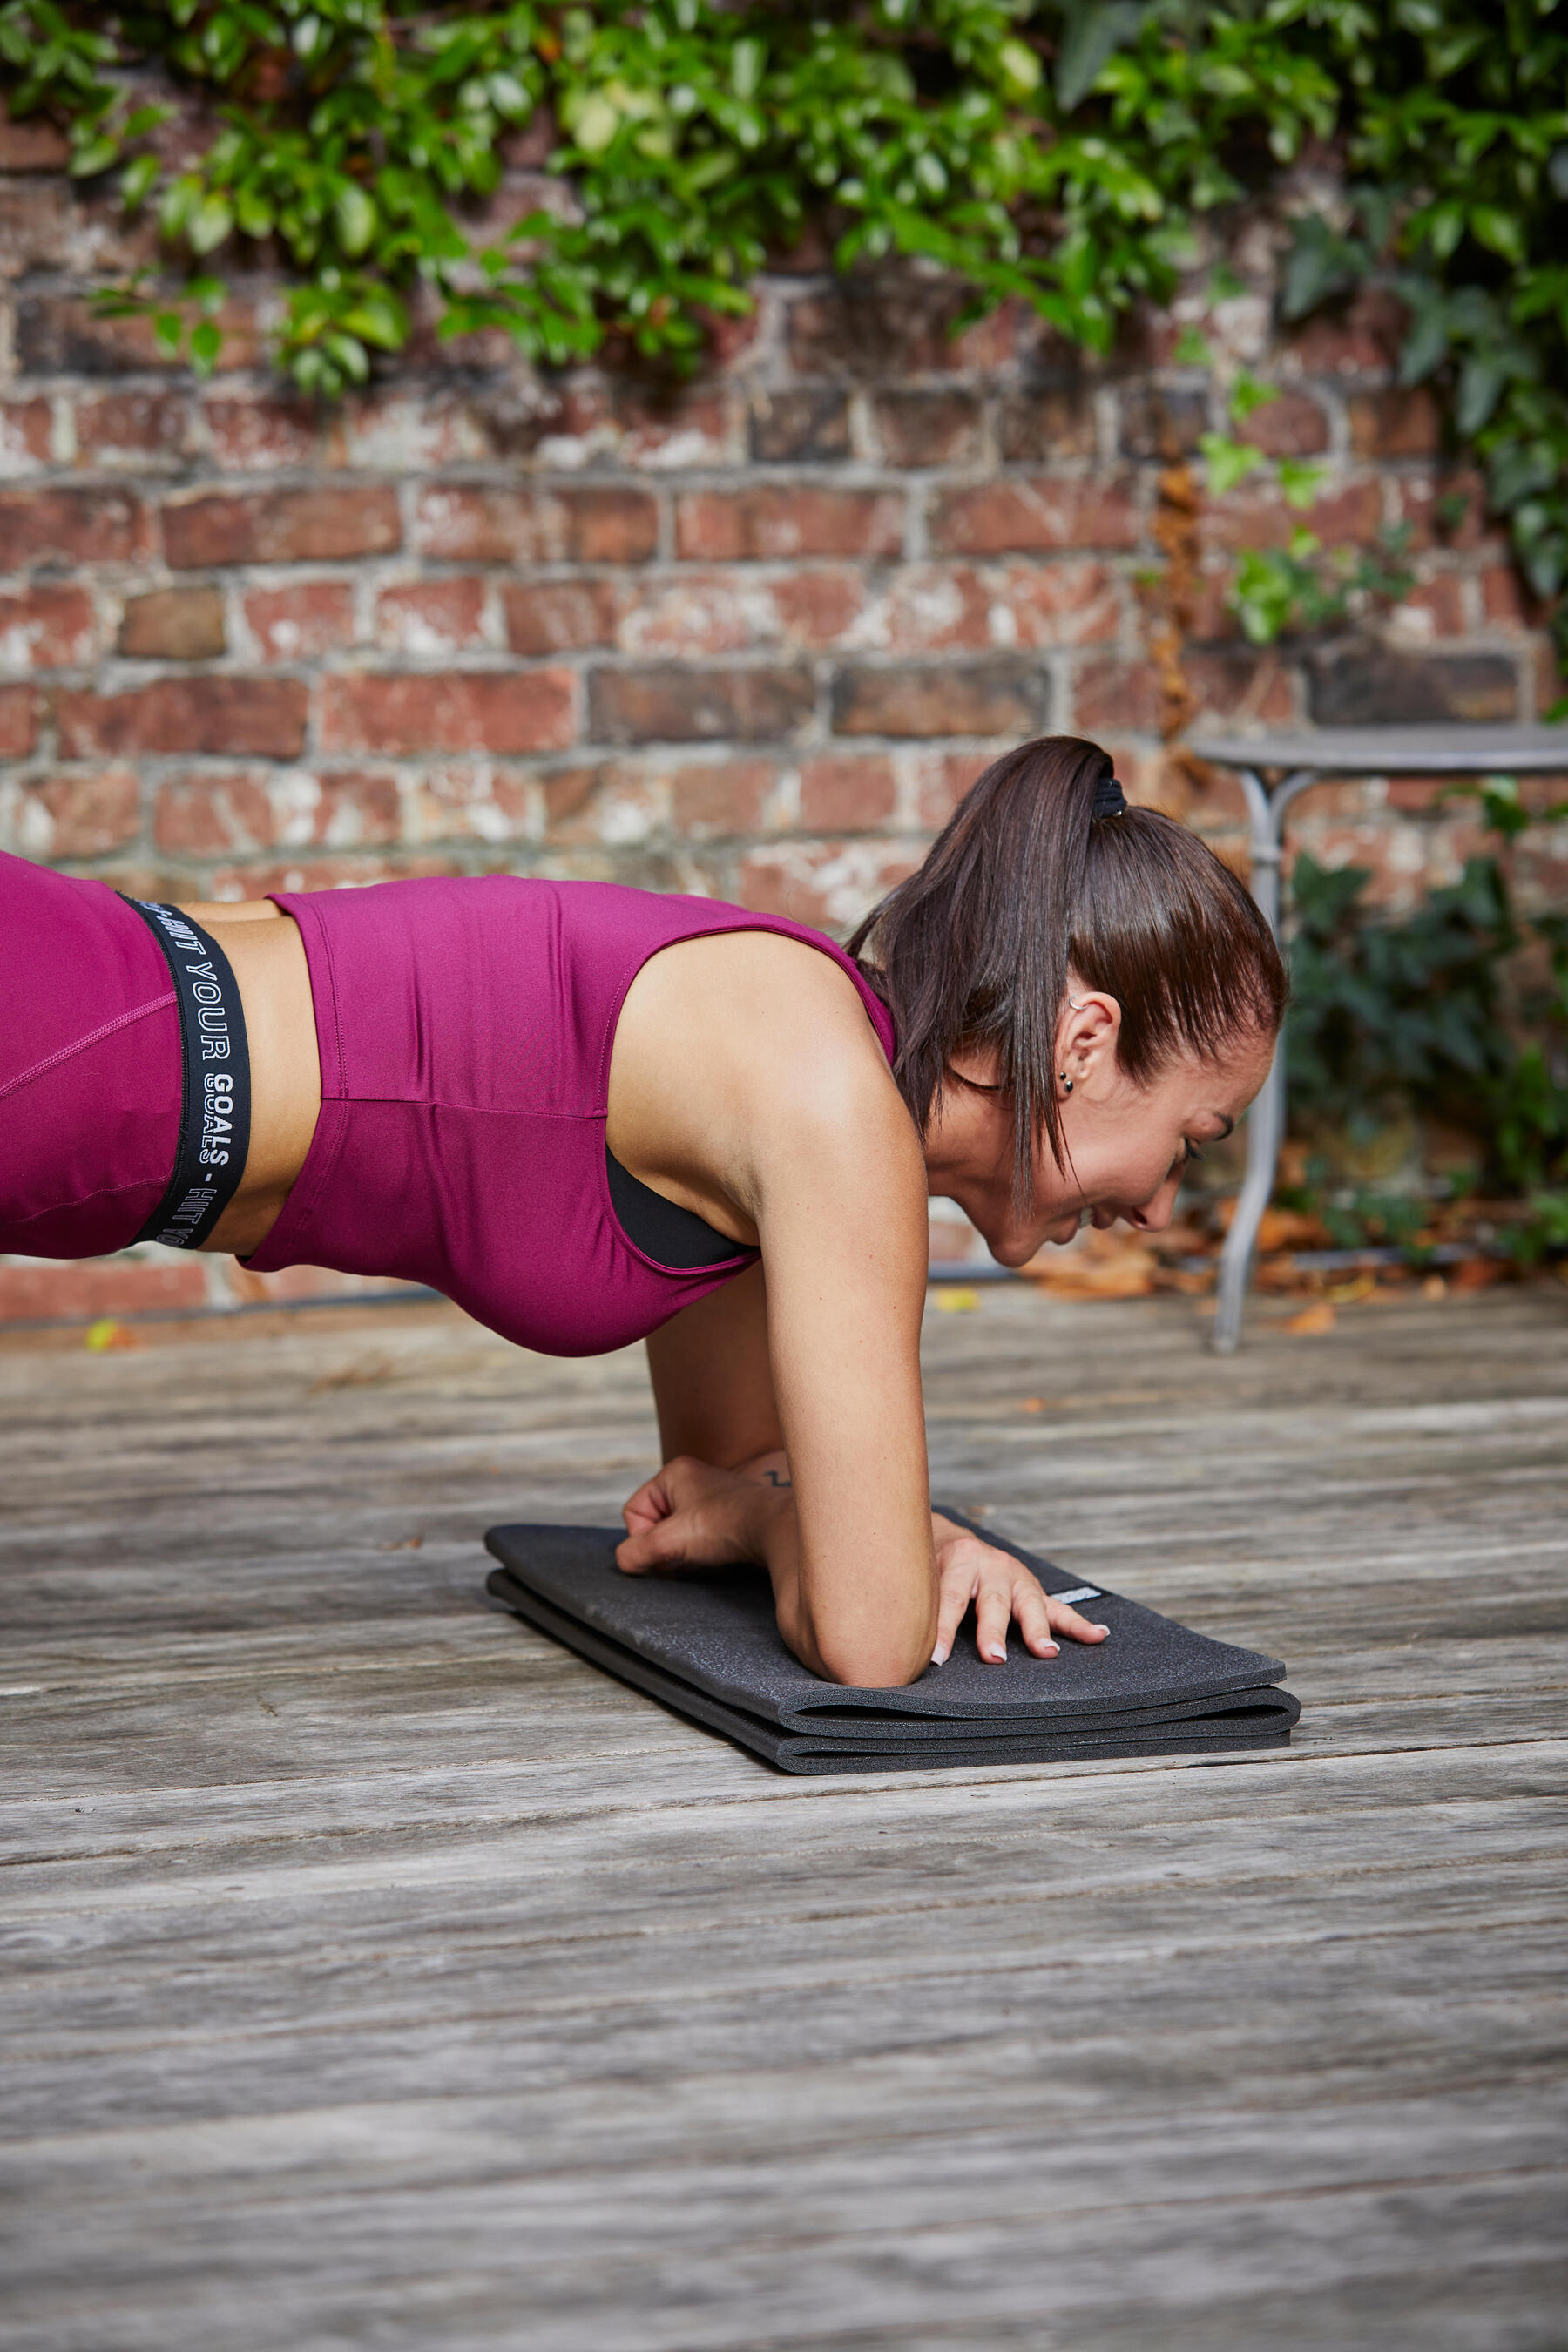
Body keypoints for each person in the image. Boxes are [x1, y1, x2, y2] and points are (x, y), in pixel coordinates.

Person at [2, 733, 1283, 1688]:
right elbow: (870, 1640)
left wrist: (823, 1517)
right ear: (1082, 1043)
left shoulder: (809, 1075)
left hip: (83, 1077)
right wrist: (817, 1528)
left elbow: (732, 1468)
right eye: (1190, 1139)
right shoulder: (832, 1109)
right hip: (61, 1053)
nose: (1163, 1205)